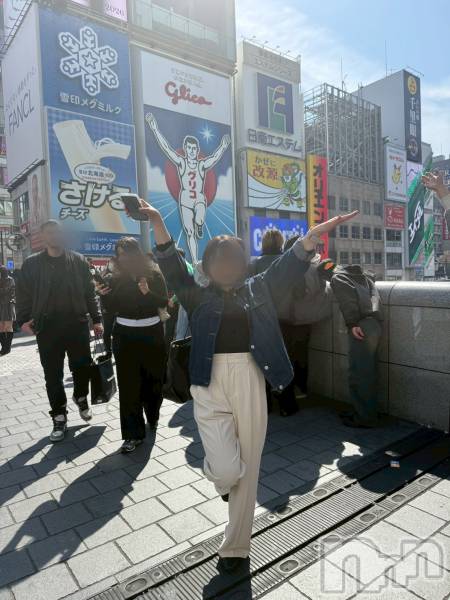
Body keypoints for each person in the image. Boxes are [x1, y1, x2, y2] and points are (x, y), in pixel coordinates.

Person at [139, 196, 357, 573]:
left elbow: (287, 267)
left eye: (233, 259)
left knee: (249, 468)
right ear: (208, 266)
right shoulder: (195, 294)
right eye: (219, 259)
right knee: (227, 471)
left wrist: (310, 238)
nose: (226, 265)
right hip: (208, 382)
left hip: (251, 377)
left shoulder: (259, 287)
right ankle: (223, 480)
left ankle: (236, 547)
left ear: (243, 265)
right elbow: (171, 264)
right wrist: (159, 221)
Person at [16, 221, 103, 442]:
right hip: (47, 328)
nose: (54, 236)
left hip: (77, 324)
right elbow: (23, 293)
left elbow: (89, 292)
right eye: (50, 233)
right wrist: (23, 320)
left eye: (57, 232)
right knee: (52, 375)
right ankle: (59, 417)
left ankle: (80, 397)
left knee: (82, 368)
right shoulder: (32, 264)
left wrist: (97, 319)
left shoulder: (79, 260)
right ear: (43, 236)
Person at [98, 237, 168, 453]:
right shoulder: (113, 278)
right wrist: (103, 296)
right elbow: (111, 308)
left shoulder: (154, 273)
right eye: (120, 255)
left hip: (152, 334)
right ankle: (132, 434)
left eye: (127, 254)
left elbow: (164, 302)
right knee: (129, 385)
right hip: (124, 335)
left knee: (153, 382)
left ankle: (153, 416)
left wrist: (148, 293)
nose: (124, 259)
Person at [145, 112, 231, 264]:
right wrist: (154, 128)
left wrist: (223, 146)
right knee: (190, 232)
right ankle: (195, 260)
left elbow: (214, 158)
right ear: (185, 149)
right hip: (185, 200)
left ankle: (199, 224)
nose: (191, 151)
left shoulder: (201, 164)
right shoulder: (181, 162)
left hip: (199, 198)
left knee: (199, 218)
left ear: (197, 150)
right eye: (189, 148)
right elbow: (166, 148)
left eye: (194, 148)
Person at [279, 237, 334, 404]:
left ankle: (285, 392)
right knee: (301, 355)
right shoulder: (314, 266)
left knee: (285, 356)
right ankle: (300, 389)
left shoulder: (283, 267)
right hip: (305, 320)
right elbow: (321, 289)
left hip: (284, 318)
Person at [328, 263, 383, 428]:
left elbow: (347, 302)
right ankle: (365, 412)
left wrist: (352, 323)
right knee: (368, 372)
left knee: (359, 373)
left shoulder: (339, 278)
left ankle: (364, 418)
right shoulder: (365, 277)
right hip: (375, 324)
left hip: (360, 326)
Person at [0, 266, 15, 355]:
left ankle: (7, 347)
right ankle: (4, 347)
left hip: (8, 305)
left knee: (8, 327)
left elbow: (12, 292)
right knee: (1, 327)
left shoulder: (10, 280)